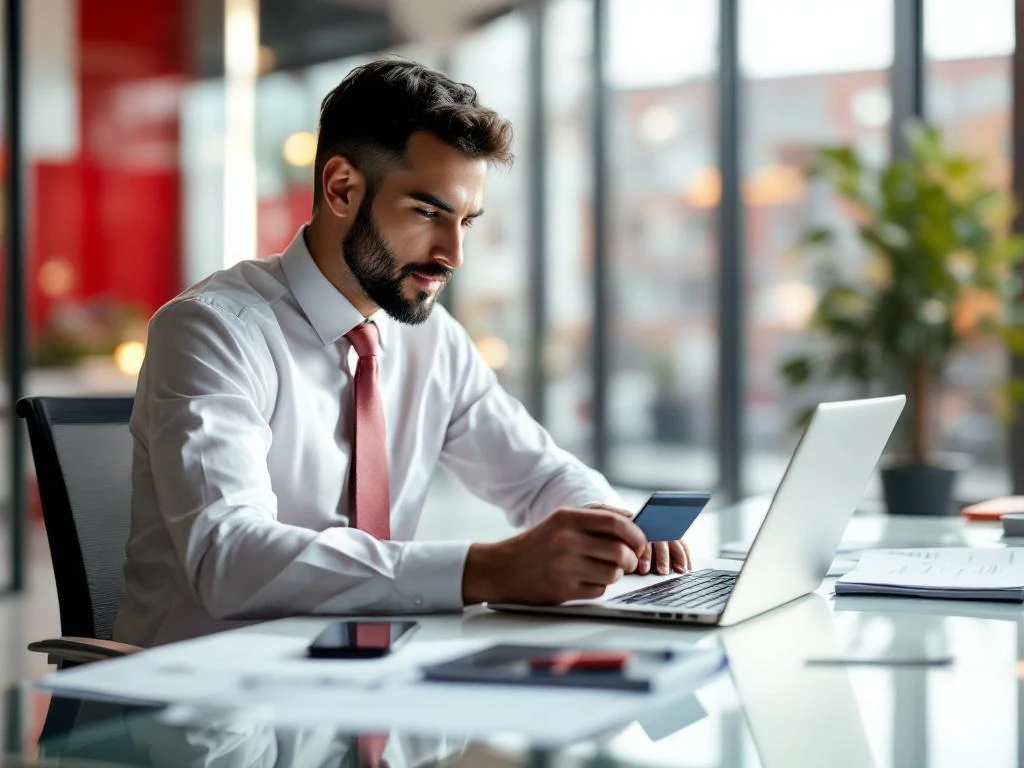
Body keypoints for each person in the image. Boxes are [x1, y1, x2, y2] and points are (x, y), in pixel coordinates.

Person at [114, 58, 691, 648]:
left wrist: (610, 524)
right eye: (428, 213)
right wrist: (483, 570)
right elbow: (229, 556)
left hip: (374, 688)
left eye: (466, 221)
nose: (453, 254)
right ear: (342, 188)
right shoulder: (212, 331)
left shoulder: (431, 339)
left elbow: (538, 475)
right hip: (206, 704)